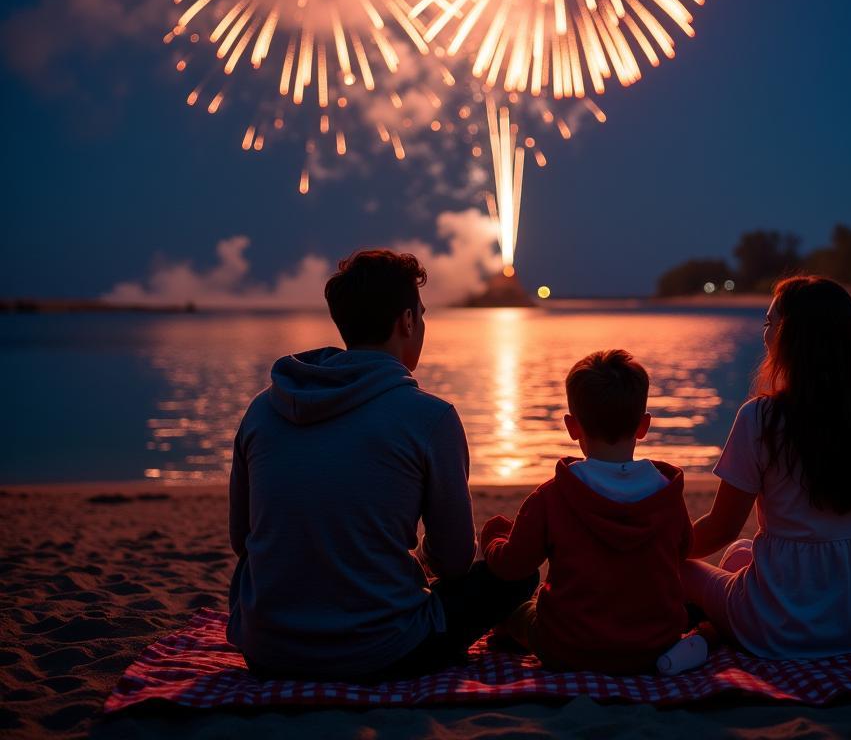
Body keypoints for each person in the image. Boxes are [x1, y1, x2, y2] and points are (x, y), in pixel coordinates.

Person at [227, 249, 537, 680]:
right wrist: (420, 561)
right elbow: (454, 561)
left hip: (266, 651)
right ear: (407, 321)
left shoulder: (263, 409)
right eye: (422, 316)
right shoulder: (430, 417)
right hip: (385, 653)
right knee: (516, 576)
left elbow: (242, 541)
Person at [681, 275, 851, 659]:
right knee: (741, 555)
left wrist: (659, 551)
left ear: (791, 338)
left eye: (768, 324)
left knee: (684, 571)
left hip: (784, 626)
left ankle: (706, 631)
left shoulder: (763, 418)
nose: (764, 335)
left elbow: (720, 528)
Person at [480, 349, 696, 674]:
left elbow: (513, 565)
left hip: (567, 648)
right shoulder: (666, 495)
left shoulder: (552, 497)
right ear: (643, 425)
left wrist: (493, 539)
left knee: (514, 609)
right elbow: (683, 549)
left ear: (572, 426)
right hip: (653, 647)